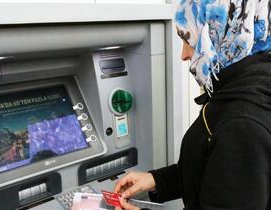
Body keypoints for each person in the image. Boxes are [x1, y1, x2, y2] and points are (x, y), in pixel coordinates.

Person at [114, 0, 271, 209]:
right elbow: (216, 170)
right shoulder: (245, 86)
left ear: (218, 34)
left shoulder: (242, 122)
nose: (184, 54)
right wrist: (157, 181)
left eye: (189, 39)